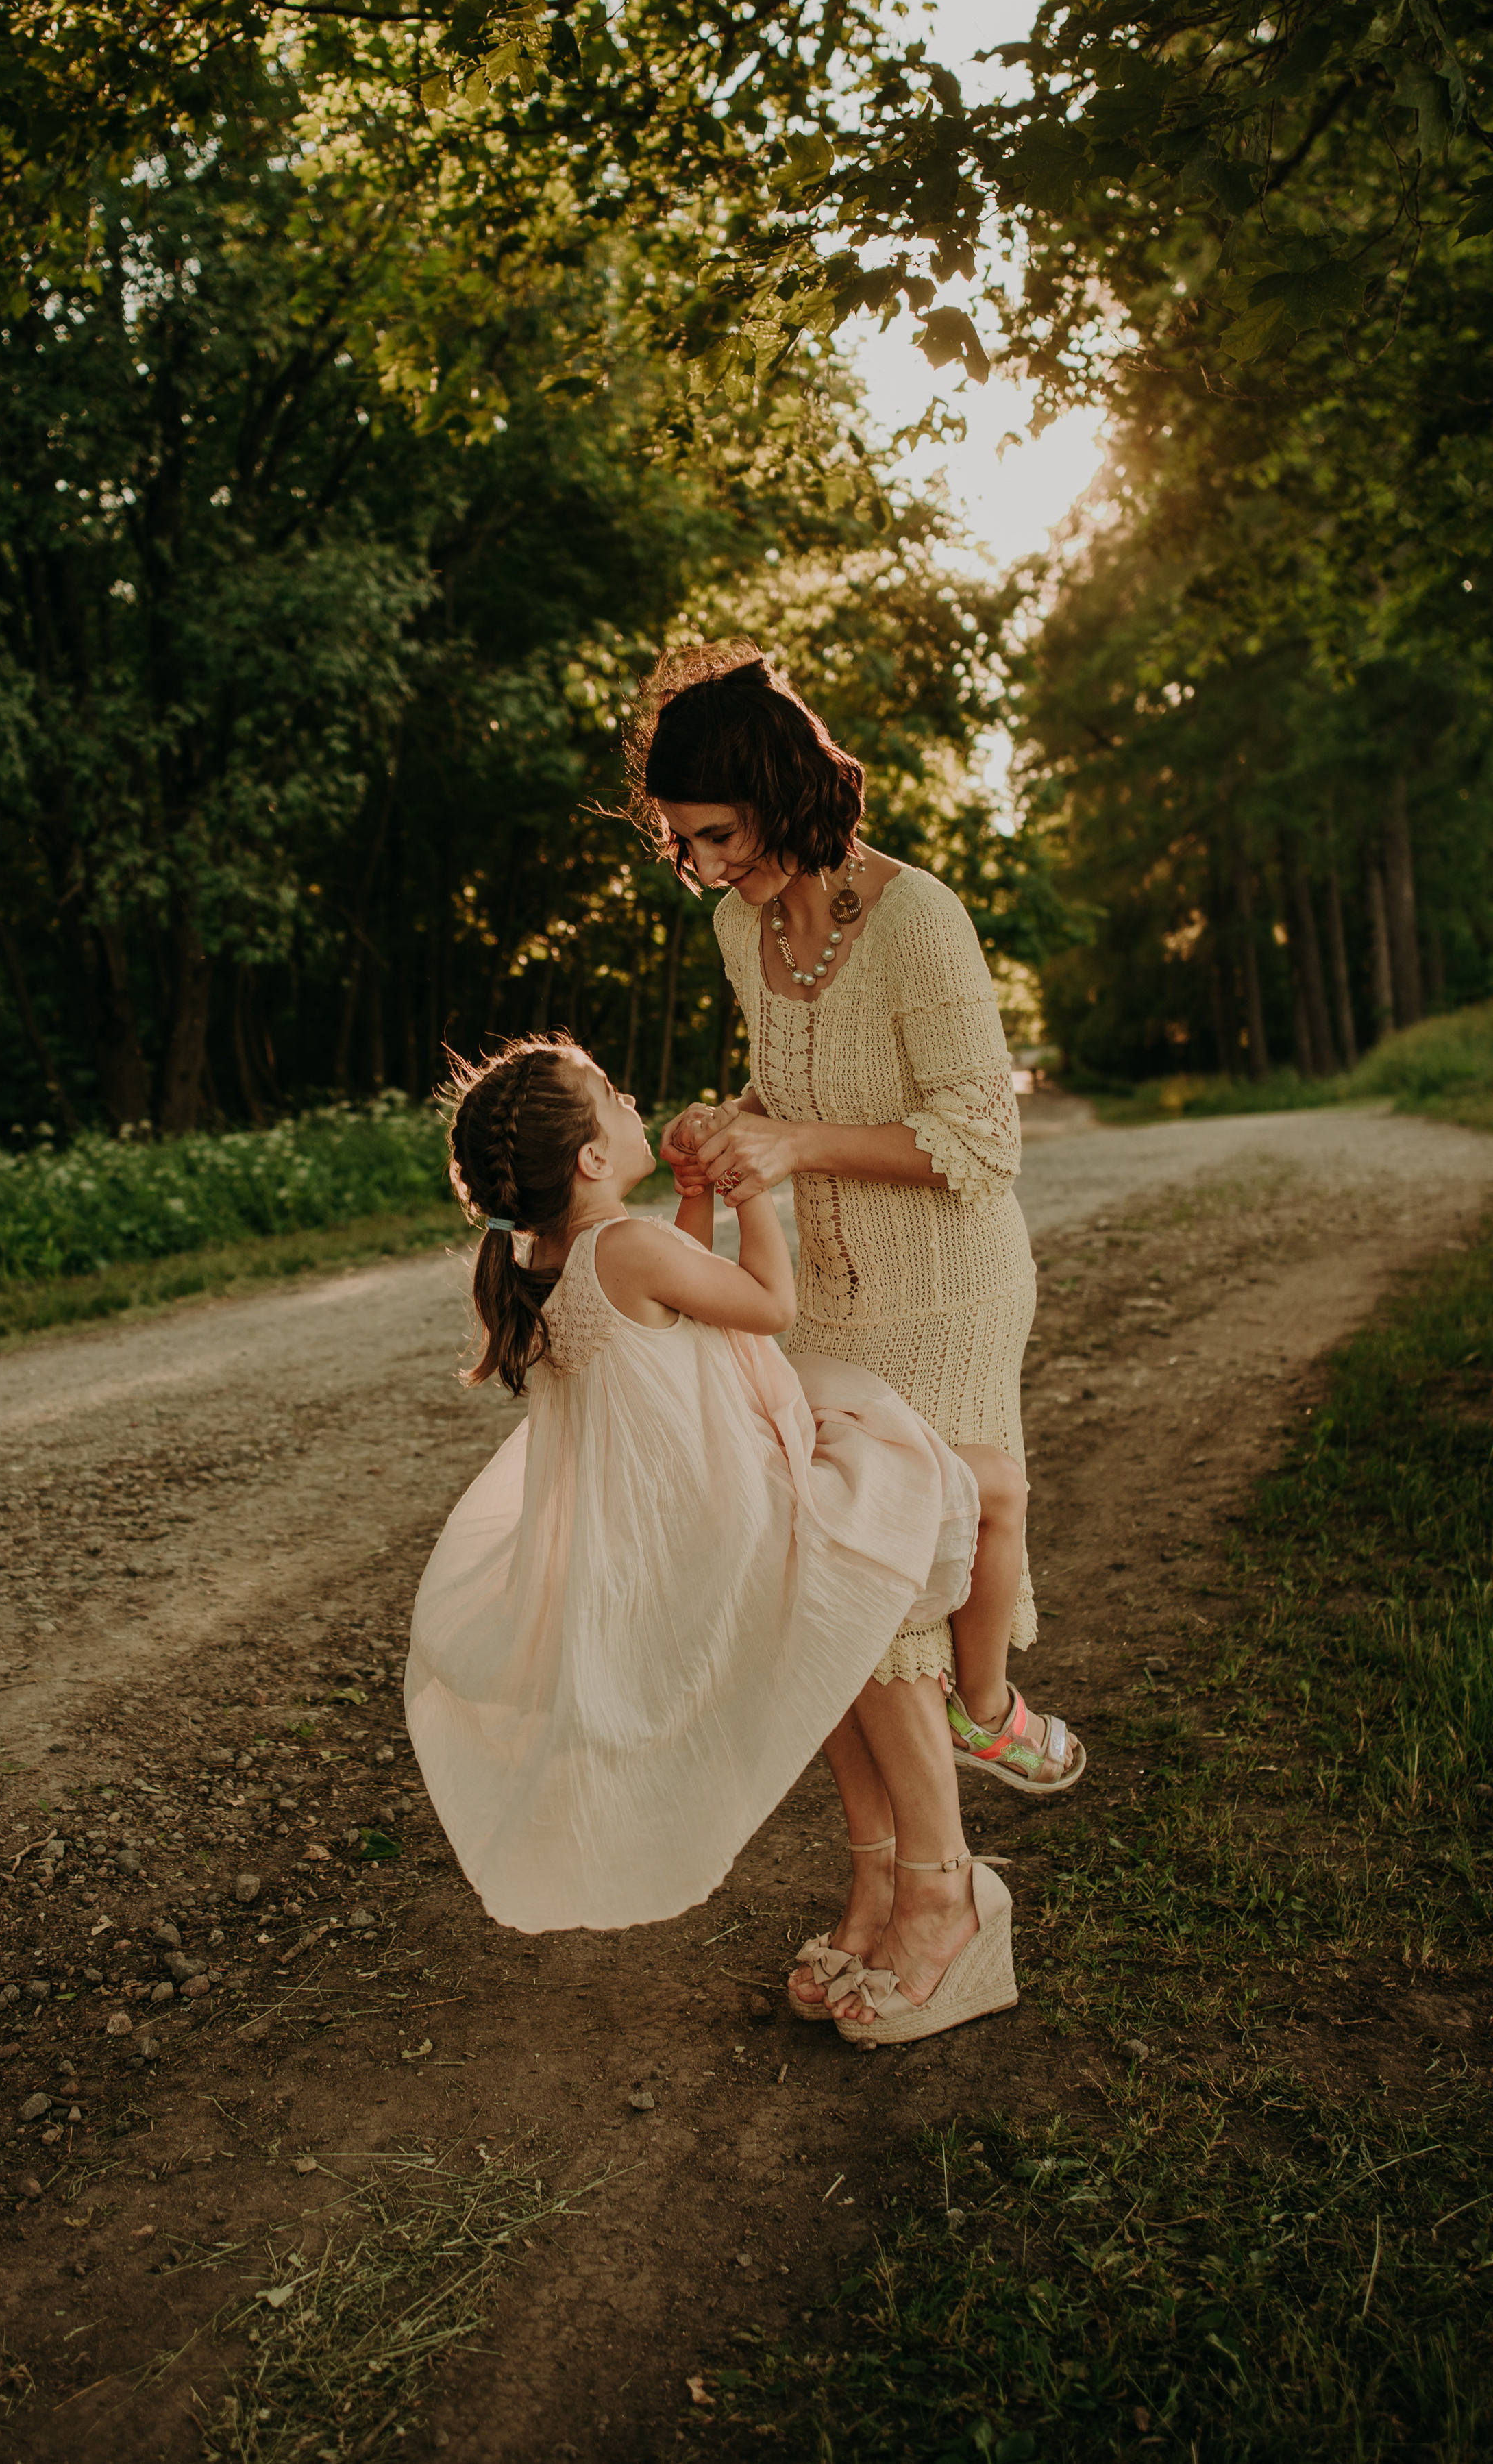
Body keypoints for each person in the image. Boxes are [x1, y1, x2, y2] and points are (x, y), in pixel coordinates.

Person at [404, 1036, 1024, 2047]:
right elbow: (765, 1307)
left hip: (701, 1535)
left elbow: (673, 1298)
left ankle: (921, 1824)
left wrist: (691, 1200)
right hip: (756, 1504)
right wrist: (749, 1190)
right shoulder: (628, 1250)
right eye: (610, 1095)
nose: (631, 1097)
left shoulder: (561, 1258)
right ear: (594, 1159)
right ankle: (991, 1710)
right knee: (996, 1485)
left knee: (900, 1578)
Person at [632, 642, 1083, 2006]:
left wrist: (794, 1138)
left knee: (879, 1592)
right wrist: (722, 1139)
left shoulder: (916, 916)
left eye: (714, 833)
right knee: (812, 1590)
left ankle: (950, 1904)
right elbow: (790, 1110)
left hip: (943, 1290)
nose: (703, 866)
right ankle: (878, 1876)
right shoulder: (734, 928)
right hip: (816, 1297)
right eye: (680, 842)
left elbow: (978, 1140)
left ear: (775, 793)